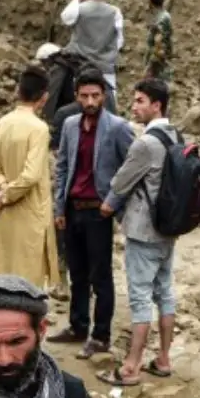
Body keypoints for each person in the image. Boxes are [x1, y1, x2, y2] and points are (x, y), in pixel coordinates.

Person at [100, 78, 179, 388]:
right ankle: (163, 359)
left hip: (143, 230)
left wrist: (106, 207)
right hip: (167, 230)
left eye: (140, 101)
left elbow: (120, 184)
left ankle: (131, 367)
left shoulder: (146, 143)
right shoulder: (175, 134)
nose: (134, 107)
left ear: (156, 105)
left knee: (140, 298)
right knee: (165, 292)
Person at [50, 71, 133, 357]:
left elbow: (130, 169)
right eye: (84, 96)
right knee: (77, 272)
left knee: (101, 276)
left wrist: (113, 200)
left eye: (95, 96)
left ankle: (101, 335)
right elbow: (62, 167)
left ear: (104, 96)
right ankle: (78, 325)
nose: (90, 101)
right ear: (76, 97)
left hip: (99, 212)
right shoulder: (71, 125)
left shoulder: (118, 128)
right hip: (73, 210)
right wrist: (59, 207)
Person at [0, 65, 60, 290]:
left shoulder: (2, 123)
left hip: (5, 213)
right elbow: (31, 175)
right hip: (30, 211)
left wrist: (1, 186)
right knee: (28, 281)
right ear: (44, 97)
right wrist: (7, 194)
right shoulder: (39, 128)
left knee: (3, 273)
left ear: (18, 91)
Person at [60, 0, 122, 106]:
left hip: (81, 66)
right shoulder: (115, 12)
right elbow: (119, 41)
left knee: (81, 106)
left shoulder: (80, 9)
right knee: (108, 105)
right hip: (105, 68)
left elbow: (65, 17)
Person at [143, 0, 172, 84]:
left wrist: (149, 69)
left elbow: (158, 47)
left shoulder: (162, 19)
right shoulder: (161, 17)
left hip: (158, 72)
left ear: (150, 1)